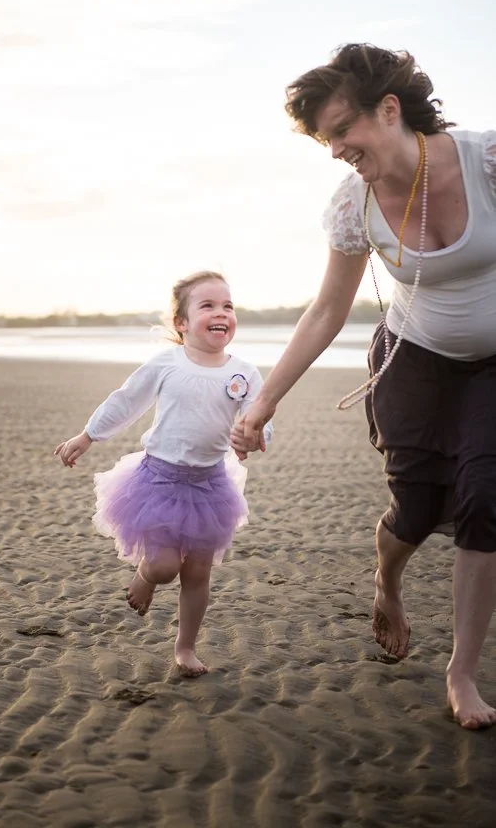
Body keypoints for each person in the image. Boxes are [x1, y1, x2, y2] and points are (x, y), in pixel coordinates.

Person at [230, 43, 496, 729]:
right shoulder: (354, 205)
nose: (334, 148)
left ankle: (461, 671)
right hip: (415, 360)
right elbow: (326, 311)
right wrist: (262, 405)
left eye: (342, 129)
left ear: (389, 109)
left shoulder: (486, 162)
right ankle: (387, 580)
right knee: (414, 509)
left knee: (484, 500)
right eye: (325, 138)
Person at [54, 271, 273, 677]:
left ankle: (185, 647)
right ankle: (145, 575)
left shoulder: (244, 373)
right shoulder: (166, 364)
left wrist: (254, 436)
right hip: (157, 483)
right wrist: (88, 435)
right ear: (182, 323)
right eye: (207, 305)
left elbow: (258, 416)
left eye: (227, 305)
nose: (221, 312)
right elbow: (127, 401)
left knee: (197, 573)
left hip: (210, 487)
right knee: (165, 566)